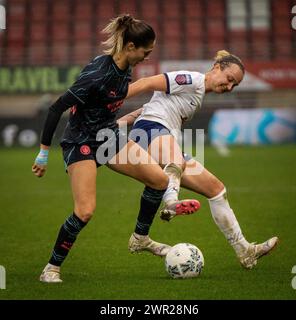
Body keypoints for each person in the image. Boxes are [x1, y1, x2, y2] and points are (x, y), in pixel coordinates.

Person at [32, 14, 199, 283]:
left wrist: (135, 115)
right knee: (85, 210)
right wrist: (43, 152)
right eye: (146, 51)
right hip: (81, 142)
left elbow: (106, 108)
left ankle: (140, 239)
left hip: (109, 139)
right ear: (131, 47)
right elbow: (56, 109)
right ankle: (51, 268)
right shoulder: (97, 74)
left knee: (159, 180)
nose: (147, 56)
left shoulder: (126, 69)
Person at [121, 50, 278, 269]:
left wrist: (119, 122)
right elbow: (148, 82)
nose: (229, 87)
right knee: (176, 160)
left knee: (216, 189)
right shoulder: (192, 80)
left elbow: (146, 107)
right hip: (150, 130)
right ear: (216, 68)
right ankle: (171, 202)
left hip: (158, 135)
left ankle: (245, 251)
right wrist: (112, 99)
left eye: (235, 85)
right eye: (229, 79)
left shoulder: (197, 94)